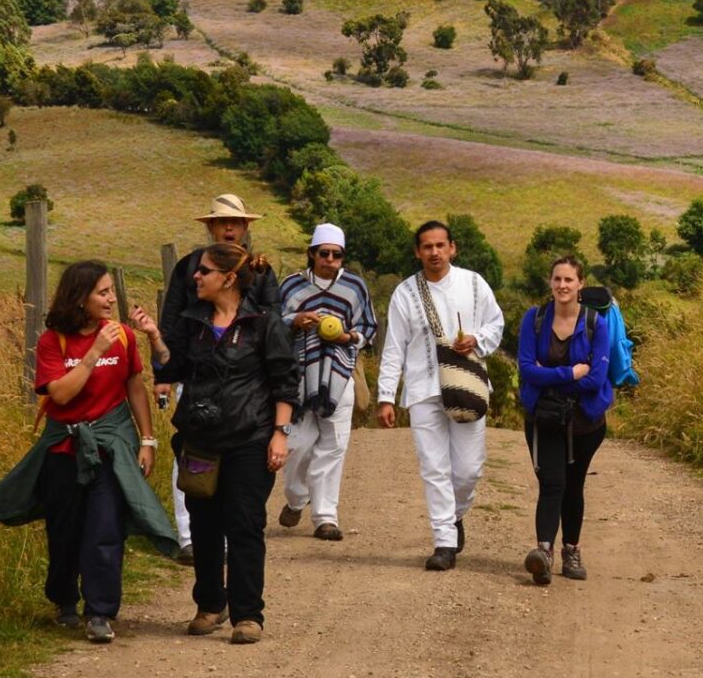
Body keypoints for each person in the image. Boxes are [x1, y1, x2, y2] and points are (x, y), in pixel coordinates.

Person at [0, 261, 177, 643]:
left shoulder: (122, 336)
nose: (111, 299)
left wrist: (147, 439)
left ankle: (100, 612)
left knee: (106, 528)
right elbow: (59, 393)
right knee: (65, 530)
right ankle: (64, 601)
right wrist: (93, 354)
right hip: (63, 449)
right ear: (79, 297)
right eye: (102, 292)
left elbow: (134, 386)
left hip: (111, 448)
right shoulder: (52, 342)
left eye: (110, 291)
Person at [144, 242, 296, 645]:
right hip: (200, 439)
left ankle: (248, 615)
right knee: (204, 524)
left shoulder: (264, 324)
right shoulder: (191, 322)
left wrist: (280, 434)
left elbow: (284, 381)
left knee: (244, 523)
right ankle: (211, 604)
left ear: (228, 278)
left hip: (250, 438)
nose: (196, 276)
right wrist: (156, 338)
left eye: (205, 271)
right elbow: (171, 367)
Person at [157, 193, 282, 563]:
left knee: (241, 459)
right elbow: (172, 317)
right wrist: (163, 374)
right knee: (192, 454)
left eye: (237, 222)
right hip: (196, 372)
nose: (229, 228)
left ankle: (230, 537)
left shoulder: (260, 271)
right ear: (210, 227)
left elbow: (273, 318)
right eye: (222, 222)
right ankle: (189, 537)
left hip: (247, 381)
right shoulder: (189, 268)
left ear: (246, 228)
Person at [376, 220, 505, 571]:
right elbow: (394, 347)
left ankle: (456, 514)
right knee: (434, 467)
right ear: (418, 252)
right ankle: (444, 542)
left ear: (452, 248)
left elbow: (497, 323)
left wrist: (476, 338)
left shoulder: (475, 284)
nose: (434, 252)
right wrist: (386, 395)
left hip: (467, 386)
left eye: (440, 245)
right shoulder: (405, 293)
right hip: (423, 388)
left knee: (468, 470)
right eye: (427, 246)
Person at [516, 256, 614, 585]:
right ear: (550, 282)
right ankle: (543, 552)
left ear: (581, 284)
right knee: (552, 483)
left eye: (569, 280)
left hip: (585, 421)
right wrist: (569, 372)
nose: (562, 286)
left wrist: (547, 375)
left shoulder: (595, 324)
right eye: (557, 279)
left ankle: (571, 550)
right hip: (543, 417)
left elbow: (597, 377)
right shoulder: (535, 319)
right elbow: (526, 369)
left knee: (574, 486)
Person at [277, 223, 378, 541]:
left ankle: (325, 517)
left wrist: (351, 336)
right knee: (297, 445)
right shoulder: (291, 286)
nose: (330, 259)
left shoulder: (354, 286)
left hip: (341, 371)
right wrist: (295, 320)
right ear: (312, 253)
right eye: (324, 253)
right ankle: (296, 498)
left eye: (336, 254)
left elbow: (369, 326)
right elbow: (273, 323)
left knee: (333, 446)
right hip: (298, 374)